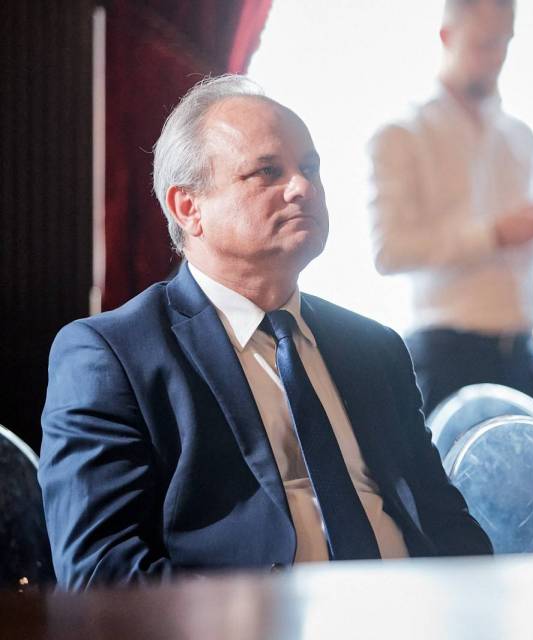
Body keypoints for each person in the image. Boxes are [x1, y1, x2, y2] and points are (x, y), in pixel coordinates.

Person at [39, 75, 492, 590]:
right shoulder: (113, 355)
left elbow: (447, 523)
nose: (303, 188)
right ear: (188, 208)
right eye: (268, 172)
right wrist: (267, 619)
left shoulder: (374, 348)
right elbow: (100, 574)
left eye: (310, 168)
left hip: (411, 613)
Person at [367, 0, 533, 416]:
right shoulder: (401, 135)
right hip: (445, 354)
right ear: (446, 36)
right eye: (484, 43)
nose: (496, 57)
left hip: (523, 352)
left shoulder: (520, 136)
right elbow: (388, 252)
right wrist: (492, 235)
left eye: (504, 42)